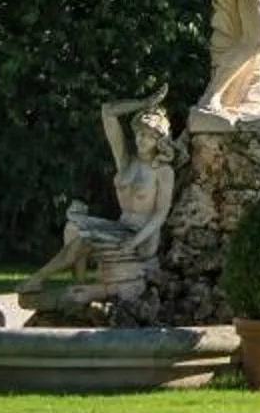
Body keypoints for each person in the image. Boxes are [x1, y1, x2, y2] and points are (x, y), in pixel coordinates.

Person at [23, 98, 176, 293]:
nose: (141, 139)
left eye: (149, 136)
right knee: (73, 227)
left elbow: (161, 214)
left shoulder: (163, 171)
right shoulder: (126, 161)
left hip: (143, 238)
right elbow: (108, 112)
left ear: (159, 140)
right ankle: (78, 282)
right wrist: (145, 103)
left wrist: (135, 241)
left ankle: (38, 278)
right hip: (122, 227)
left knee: (84, 239)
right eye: (139, 133)